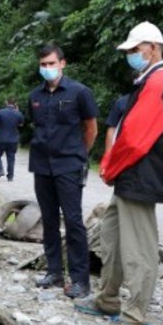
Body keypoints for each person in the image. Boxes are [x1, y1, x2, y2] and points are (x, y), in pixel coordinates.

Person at [75, 22, 163, 325]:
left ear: (152, 47)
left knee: (138, 248)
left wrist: (111, 166)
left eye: (135, 49)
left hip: (141, 175)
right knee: (112, 238)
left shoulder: (158, 81)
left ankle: (136, 314)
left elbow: (135, 138)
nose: (131, 55)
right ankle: (108, 299)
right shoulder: (147, 80)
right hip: (132, 176)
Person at [27, 44, 98, 298]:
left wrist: (80, 155)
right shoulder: (35, 96)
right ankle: (54, 272)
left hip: (69, 165)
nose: (47, 68)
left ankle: (80, 279)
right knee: (48, 220)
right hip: (41, 165)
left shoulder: (80, 93)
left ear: (62, 63)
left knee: (73, 221)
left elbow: (91, 128)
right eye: (43, 64)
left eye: (51, 63)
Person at [0, 97, 24, 181]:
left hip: (2, 138)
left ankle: (0, 170)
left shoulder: (1, 112)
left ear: (6, 102)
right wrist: (17, 111)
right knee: (11, 157)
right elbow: (21, 125)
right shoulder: (18, 114)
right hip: (13, 140)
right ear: (15, 104)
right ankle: (10, 176)